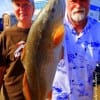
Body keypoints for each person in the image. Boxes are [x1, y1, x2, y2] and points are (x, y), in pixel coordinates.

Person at [52, 0, 100, 100]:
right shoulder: (51, 28)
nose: (78, 5)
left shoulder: (98, 30)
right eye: (73, 1)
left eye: (83, 0)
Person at [0, 0, 35, 99]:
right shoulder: (6, 36)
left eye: (26, 5)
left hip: (37, 95)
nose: (21, 9)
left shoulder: (42, 33)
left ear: (33, 8)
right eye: (18, 5)